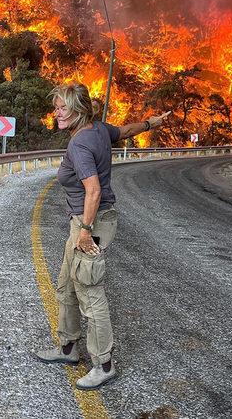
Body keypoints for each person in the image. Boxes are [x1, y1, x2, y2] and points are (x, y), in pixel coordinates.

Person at [35, 82, 169, 390]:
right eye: (56, 107)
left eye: (62, 108)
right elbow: (124, 132)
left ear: (79, 111)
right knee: (66, 284)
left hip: (90, 221)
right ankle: (68, 348)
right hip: (83, 221)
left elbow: (93, 190)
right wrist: (151, 123)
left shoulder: (79, 144)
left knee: (89, 292)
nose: (56, 113)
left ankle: (103, 365)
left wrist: (84, 231)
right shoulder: (98, 130)